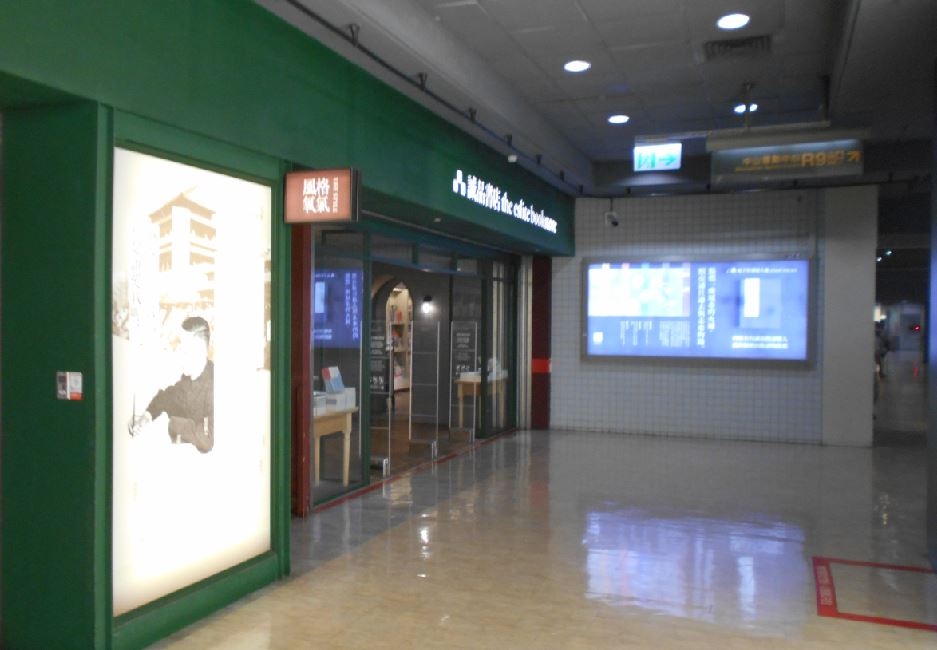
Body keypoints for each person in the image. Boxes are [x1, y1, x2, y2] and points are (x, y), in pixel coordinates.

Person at [128, 316, 214, 453]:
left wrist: (170, 424)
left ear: (199, 350)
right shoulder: (188, 380)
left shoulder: (214, 384)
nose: (179, 353)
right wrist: (146, 417)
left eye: (184, 348)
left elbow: (206, 439)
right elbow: (166, 397)